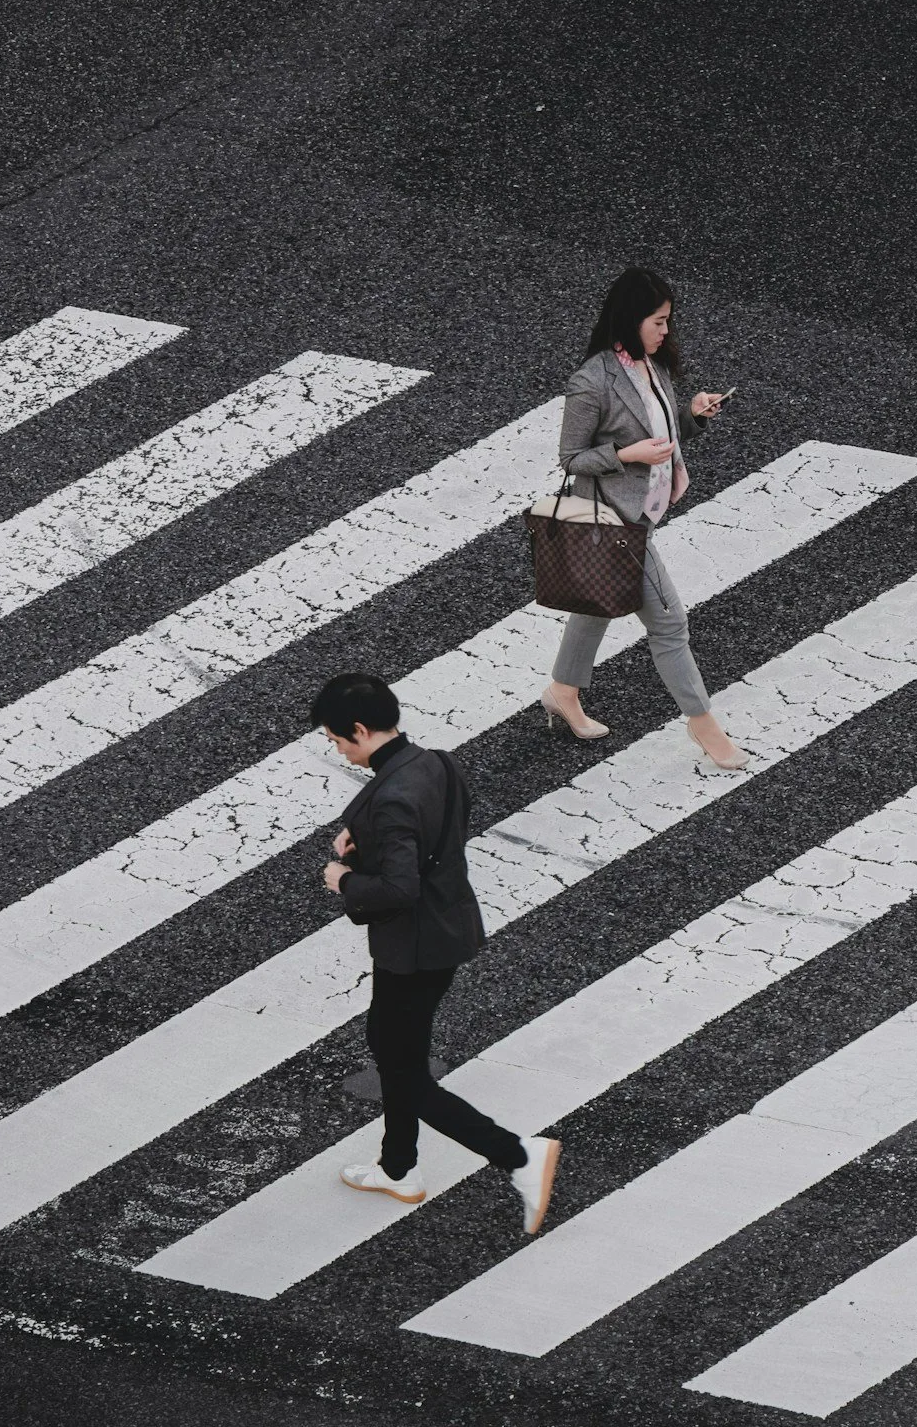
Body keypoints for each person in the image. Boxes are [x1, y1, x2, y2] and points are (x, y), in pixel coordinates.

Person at [313, 669, 560, 1228]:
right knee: (400, 1051)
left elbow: (400, 888)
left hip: (413, 948)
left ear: (357, 729)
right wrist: (364, 840)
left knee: (400, 1068)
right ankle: (399, 1168)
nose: (336, 749)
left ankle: (518, 1156)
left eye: (334, 739)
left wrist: (342, 878)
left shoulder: (394, 797)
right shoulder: (434, 762)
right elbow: (439, 830)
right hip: (449, 928)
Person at [541, 265, 746, 769]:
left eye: (667, 320)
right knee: (670, 624)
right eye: (658, 320)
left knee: (597, 604)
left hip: (643, 513)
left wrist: (693, 416)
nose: (666, 329)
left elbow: (661, 432)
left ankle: (563, 691)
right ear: (631, 319)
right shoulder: (592, 382)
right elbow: (571, 458)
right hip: (616, 523)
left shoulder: (650, 366)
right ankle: (704, 726)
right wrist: (625, 456)